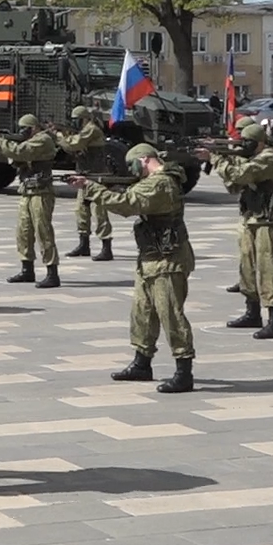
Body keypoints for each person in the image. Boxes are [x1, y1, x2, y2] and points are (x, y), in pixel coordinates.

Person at [71, 144, 196, 393]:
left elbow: (126, 204)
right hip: (151, 257)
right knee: (142, 312)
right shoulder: (154, 181)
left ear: (144, 159)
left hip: (167, 261)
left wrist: (91, 187)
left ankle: (184, 371)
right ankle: (142, 362)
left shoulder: (160, 183)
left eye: (132, 165)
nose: (132, 170)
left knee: (171, 314)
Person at [202, 123, 273, 340]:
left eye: (247, 143)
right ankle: (252, 311)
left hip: (267, 220)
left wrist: (217, 159)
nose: (243, 147)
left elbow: (240, 175)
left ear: (259, 143)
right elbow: (233, 185)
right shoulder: (253, 156)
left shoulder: (269, 157)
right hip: (250, 217)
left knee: (266, 267)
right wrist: (228, 158)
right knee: (247, 265)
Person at [0, 115, 61, 288]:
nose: (23, 132)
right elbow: (14, 158)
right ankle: (27, 269)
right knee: (23, 231)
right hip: (27, 191)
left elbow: (20, 151)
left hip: (41, 192)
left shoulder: (43, 140)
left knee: (43, 231)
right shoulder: (32, 141)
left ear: (33, 128)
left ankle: (52, 273)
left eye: (25, 129)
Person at [56, 106, 115, 262]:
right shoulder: (83, 131)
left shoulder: (91, 129)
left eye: (77, 120)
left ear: (84, 118)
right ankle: (84, 245)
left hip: (97, 176)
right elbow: (72, 150)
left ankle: (106, 247)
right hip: (84, 175)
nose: (75, 123)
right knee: (81, 211)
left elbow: (74, 144)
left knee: (99, 212)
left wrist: (58, 136)